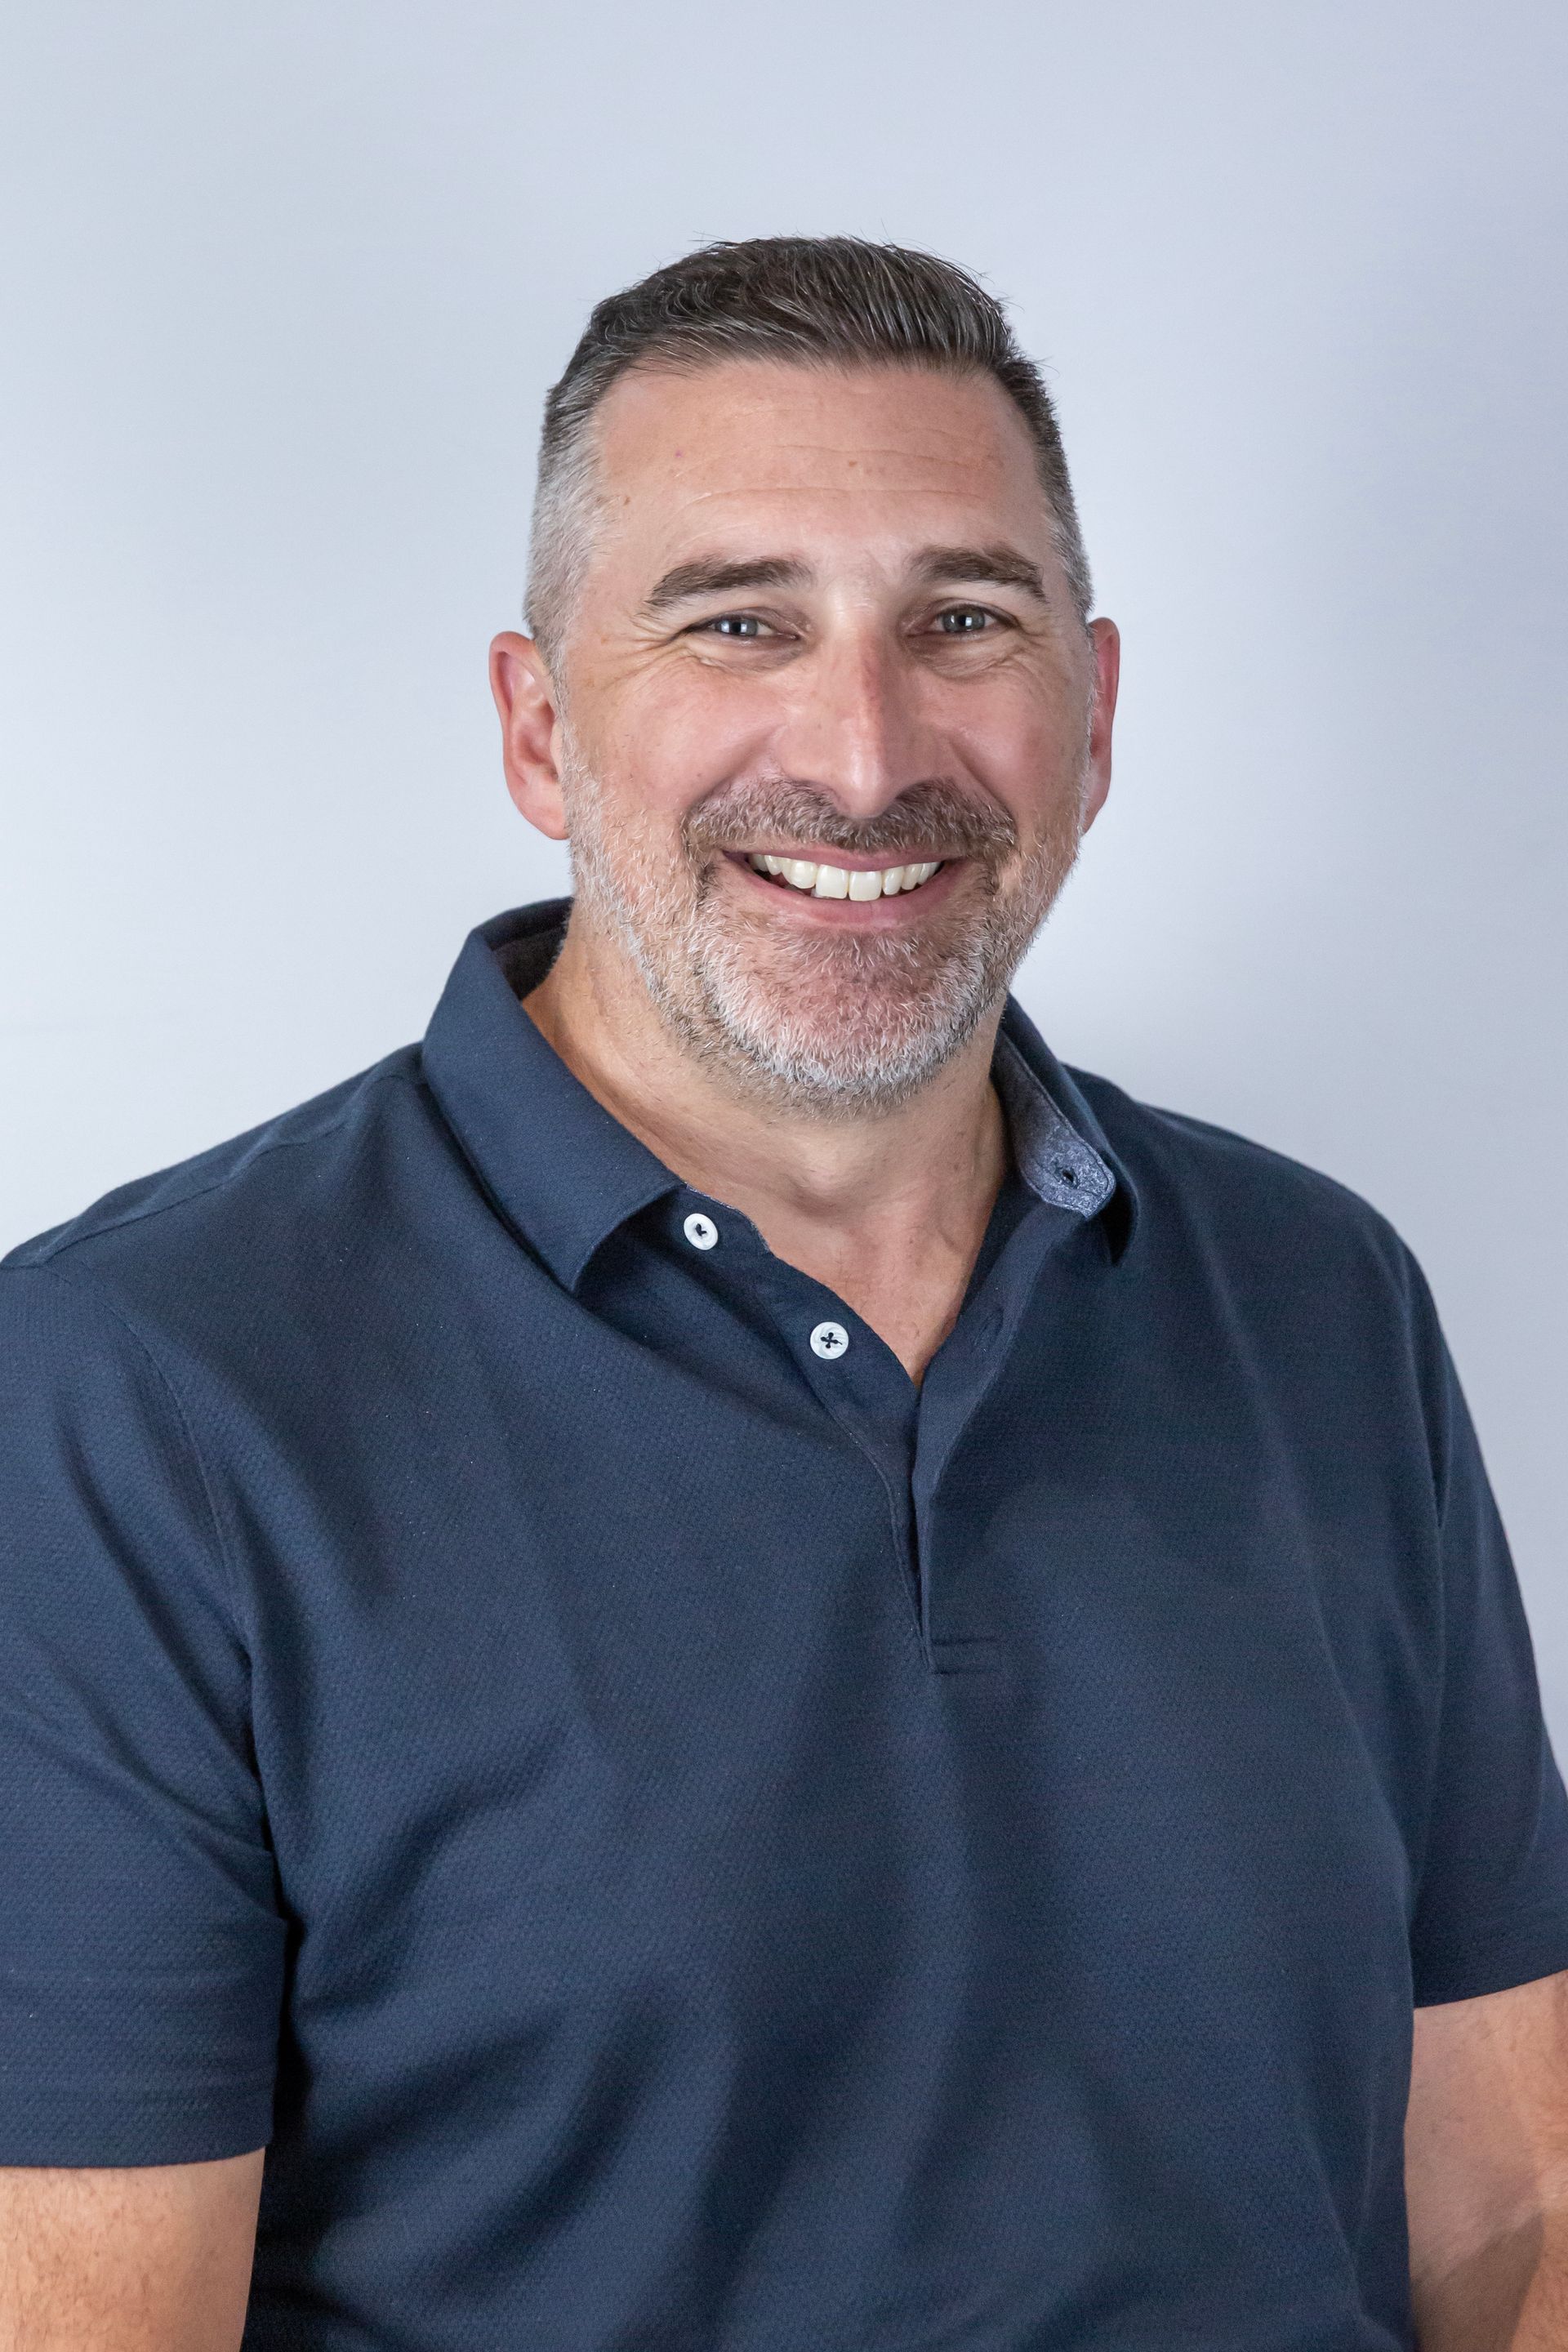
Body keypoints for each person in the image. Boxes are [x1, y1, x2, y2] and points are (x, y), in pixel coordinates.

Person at [2, 235, 1566, 2352]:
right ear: (541, 730)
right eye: (742, 619)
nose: (859, 749)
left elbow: (1511, 2212)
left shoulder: (1325, 1306)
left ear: (1091, 719)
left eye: (964, 619)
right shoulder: (129, 1397)